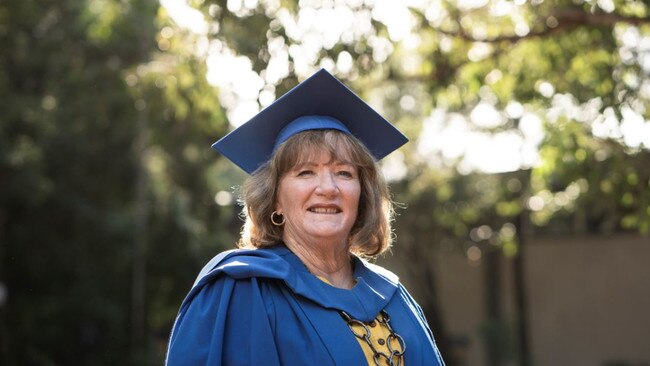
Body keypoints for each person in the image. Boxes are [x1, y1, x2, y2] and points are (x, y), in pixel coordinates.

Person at [166, 69, 445, 366]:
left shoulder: (394, 297)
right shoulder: (242, 290)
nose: (328, 188)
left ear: (362, 196)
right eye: (305, 172)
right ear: (275, 199)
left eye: (344, 173)